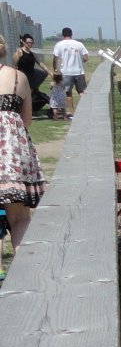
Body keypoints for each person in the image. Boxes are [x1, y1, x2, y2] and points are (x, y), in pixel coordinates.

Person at [0, 37, 45, 247]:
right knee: (20, 219)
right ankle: (24, 275)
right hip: (11, 156)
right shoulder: (19, 78)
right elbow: (27, 120)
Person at [51, 27, 89, 117]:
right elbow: (86, 58)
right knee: (81, 91)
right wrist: (80, 61)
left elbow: (55, 58)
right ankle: (86, 110)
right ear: (71, 34)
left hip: (66, 72)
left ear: (63, 34)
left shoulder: (59, 45)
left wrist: (55, 69)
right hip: (79, 71)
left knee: (68, 93)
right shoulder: (79, 44)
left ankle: (73, 113)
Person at [13, 34, 49, 116]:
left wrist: (50, 73)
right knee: (22, 96)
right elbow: (14, 66)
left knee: (29, 96)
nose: (30, 44)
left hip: (31, 77)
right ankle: (21, 111)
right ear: (23, 42)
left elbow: (41, 63)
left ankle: (28, 111)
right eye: (28, 42)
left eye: (31, 43)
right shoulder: (19, 53)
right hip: (22, 77)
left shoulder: (32, 54)